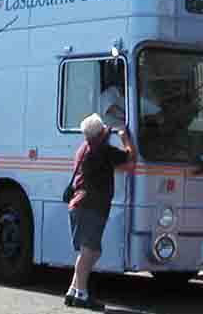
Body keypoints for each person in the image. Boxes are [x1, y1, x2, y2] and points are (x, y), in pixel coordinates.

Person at [65, 113, 136, 310]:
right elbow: (130, 159)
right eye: (104, 128)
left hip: (78, 204)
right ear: (100, 133)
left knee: (87, 251)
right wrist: (125, 139)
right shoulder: (103, 151)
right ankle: (81, 294)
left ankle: (73, 290)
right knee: (91, 251)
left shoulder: (84, 149)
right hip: (91, 206)